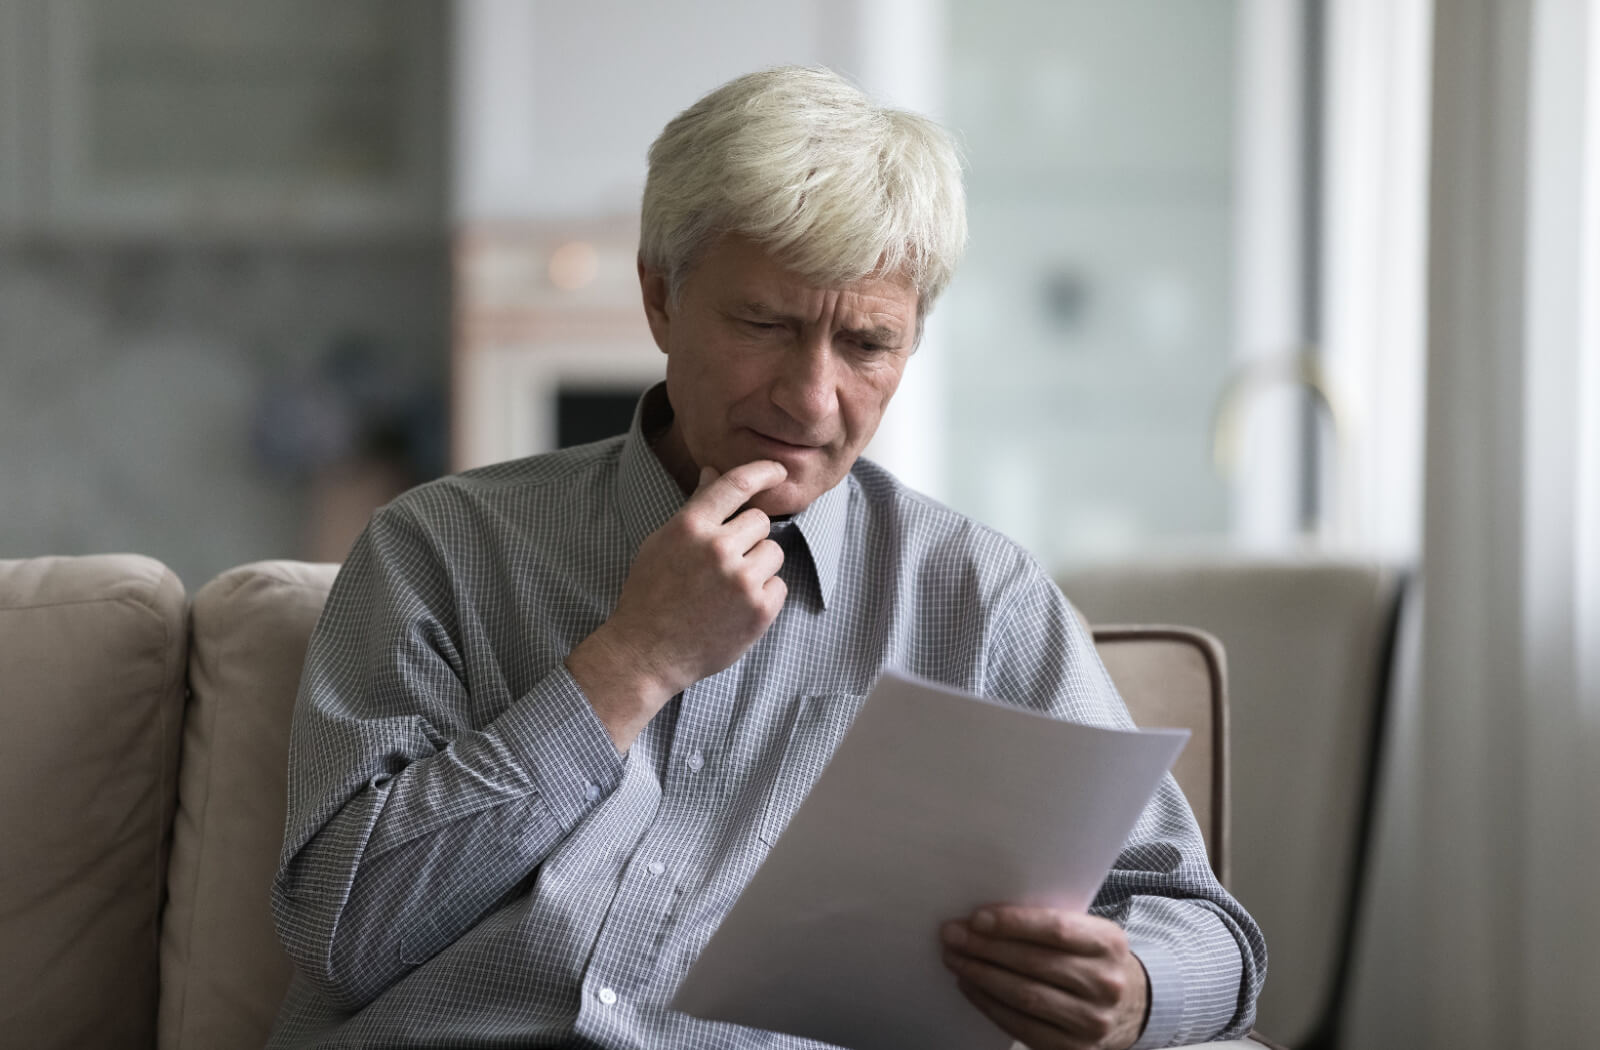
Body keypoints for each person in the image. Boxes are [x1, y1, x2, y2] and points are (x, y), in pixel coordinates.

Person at [268, 66, 1266, 1050]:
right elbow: (342, 934)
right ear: (660, 299)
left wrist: (1133, 989)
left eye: (867, 346)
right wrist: (633, 663)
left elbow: (1206, 932)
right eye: (765, 325)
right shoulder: (440, 548)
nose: (810, 400)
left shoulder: (978, 601)